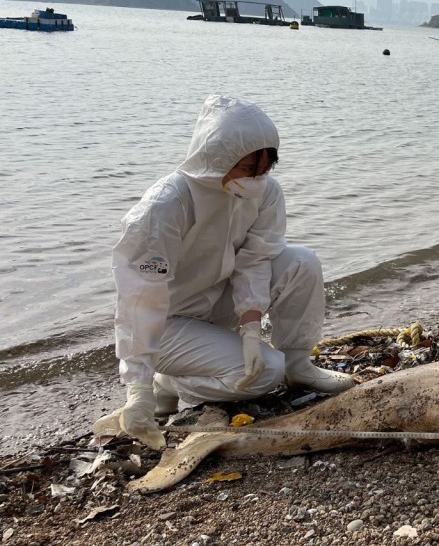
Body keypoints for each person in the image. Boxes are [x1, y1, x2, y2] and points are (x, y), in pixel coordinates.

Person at [95, 95, 354, 450]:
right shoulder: (166, 205)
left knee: (301, 261)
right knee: (265, 373)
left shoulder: (263, 193)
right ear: (217, 158)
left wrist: (250, 329)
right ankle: (169, 383)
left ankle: (299, 365)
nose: (258, 179)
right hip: (168, 326)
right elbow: (141, 298)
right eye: (249, 169)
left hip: (218, 303)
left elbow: (255, 260)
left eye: (265, 169)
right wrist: (136, 386)